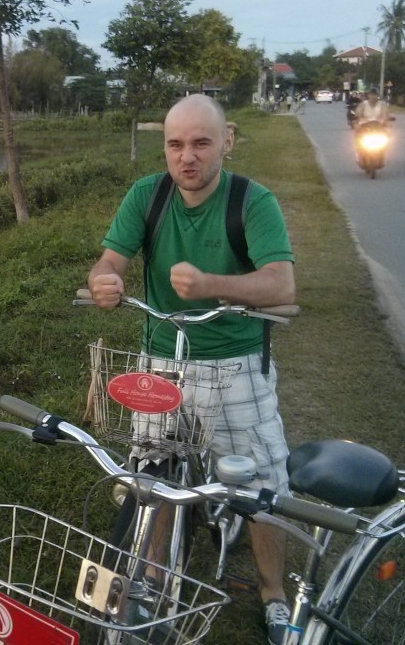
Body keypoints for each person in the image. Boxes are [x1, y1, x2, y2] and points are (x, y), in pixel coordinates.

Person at [86, 94, 296, 645]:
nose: (188, 157)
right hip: (161, 362)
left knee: (261, 485)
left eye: (202, 143)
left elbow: (281, 284)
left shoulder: (252, 201)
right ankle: (154, 577)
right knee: (151, 479)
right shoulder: (147, 196)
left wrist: (212, 284)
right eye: (176, 145)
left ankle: (274, 594)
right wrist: (104, 279)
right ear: (165, 149)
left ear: (227, 141)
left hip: (235, 364)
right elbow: (110, 260)